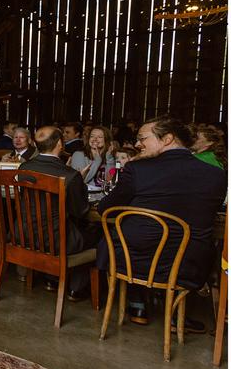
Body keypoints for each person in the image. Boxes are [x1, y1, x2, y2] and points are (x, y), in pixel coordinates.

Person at [96, 115, 226, 327]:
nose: (138, 144)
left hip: (133, 262)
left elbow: (105, 209)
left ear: (167, 139)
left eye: (143, 138)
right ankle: (176, 316)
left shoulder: (139, 169)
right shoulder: (216, 175)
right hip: (188, 265)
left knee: (123, 238)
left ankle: (138, 303)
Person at [19, 126, 101, 299]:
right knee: (98, 235)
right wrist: (79, 182)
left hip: (25, 235)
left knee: (66, 229)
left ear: (34, 143)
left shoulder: (24, 167)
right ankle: (75, 288)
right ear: (60, 144)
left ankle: (52, 279)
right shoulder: (70, 175)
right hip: (56, 243)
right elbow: (80, 211)